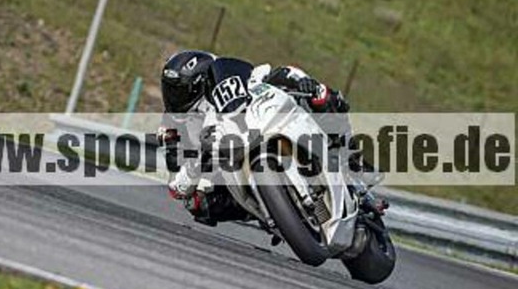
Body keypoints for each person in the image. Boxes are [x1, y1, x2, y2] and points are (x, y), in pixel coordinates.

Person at [158, 50, 387, 226]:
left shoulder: (229, 79)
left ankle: (353, 161)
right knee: (198, 204)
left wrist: (302, 85)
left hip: (260, 124)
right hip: (224, 165)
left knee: (314, 91)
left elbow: (268, 75)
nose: (173, 97)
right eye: (170, 89)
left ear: (198, 84)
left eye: (179, 90)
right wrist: (196, 165)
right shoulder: (171, 128)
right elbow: (176, 186)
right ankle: (270, 210)